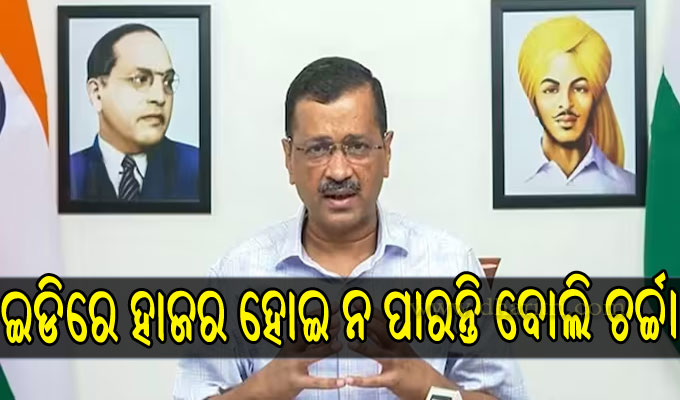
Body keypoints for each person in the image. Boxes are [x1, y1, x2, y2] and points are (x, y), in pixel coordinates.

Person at [174, 57, 526, 399]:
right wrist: (260, 393)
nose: (339, 171)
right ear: (289, 158)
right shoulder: (236, 274)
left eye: (357, 146)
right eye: (318, 149)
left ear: (386, 152)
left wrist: (430, 391)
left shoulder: (450, 265)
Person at [70, 23, 199, 201]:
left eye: (167, 81)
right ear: (97, 94)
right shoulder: (68, 174)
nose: (160, 97)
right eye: (140, 79)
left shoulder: (198, 169)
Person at [516, 16, 635, 194]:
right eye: (551, 90)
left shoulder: (628, 186)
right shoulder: (515, 185)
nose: (566, 104)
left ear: (595, 97)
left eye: (579, 89)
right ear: (533, 101)